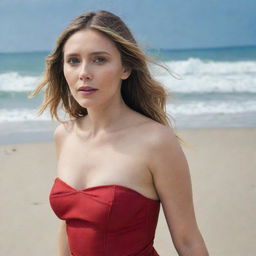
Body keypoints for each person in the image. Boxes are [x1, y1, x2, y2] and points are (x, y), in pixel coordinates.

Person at [30, 10, 209, 256]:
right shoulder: (64, 135)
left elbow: (188, 241)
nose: (84, 72)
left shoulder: (155, 141)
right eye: (73, 60)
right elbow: (71, 223)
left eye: (99, 59)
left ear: (125, 68)